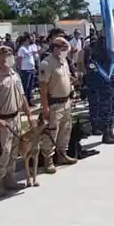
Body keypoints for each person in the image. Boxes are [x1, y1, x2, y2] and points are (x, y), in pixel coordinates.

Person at [0, 45, 33, 197]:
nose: (8, 57)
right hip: (3, 122)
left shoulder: (15, 76)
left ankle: (9, 179)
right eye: (4, 55)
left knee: (13, 151)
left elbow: (22, 96)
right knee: (1, 153)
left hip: (16, 118)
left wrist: (28, 114)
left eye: (10, 54)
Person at [38, 36, 80, 166]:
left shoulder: (64, 61)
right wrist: (45, 107)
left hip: (66, 102)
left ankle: (62, 154)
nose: (65, 51)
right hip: (54, 103)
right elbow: (43, 87)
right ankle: (48, 160)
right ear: (55, 48)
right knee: (51, 133)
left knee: (65, 130)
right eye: (63, 48)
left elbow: (66, 78)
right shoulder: (47, 63)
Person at [83, 32, 114, 143]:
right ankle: (105, 133)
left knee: (111, 108)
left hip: (111, 85)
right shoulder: (94, 53)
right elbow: (92, 69)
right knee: (104, 109)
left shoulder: (110, 53)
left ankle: (110, 130)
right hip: (101, 86)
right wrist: (106, 77)